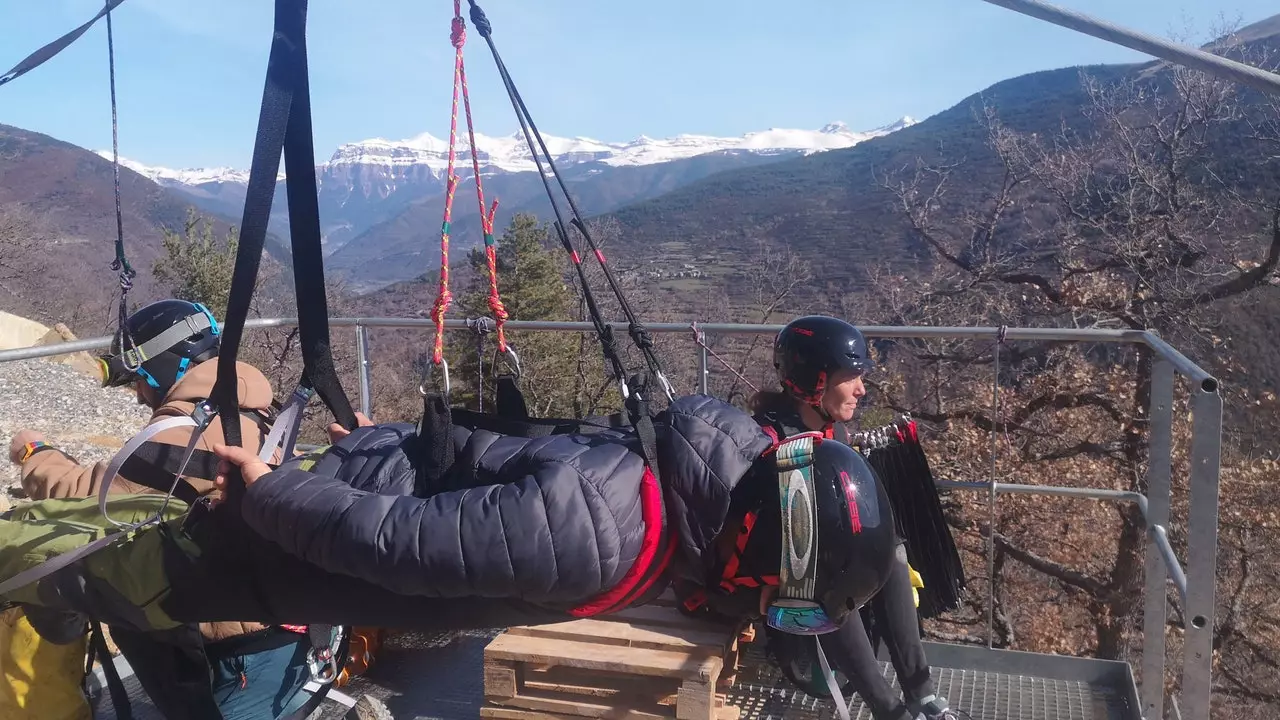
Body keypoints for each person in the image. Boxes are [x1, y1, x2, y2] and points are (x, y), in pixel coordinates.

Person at [0, 317, 918, 718]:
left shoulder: (703, 474)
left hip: (356, 482)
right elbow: (395, 546)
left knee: (111, 585)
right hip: (299, 526)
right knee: (80, 577)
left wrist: (388, 445)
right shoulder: (604, 534)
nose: (760, 612)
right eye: (773, 600)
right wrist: (274, 489)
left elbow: (506, 460)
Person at [5, 298, 325, 720]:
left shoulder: (183, 437)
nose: (138, 394)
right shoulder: (260, 412)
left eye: (138, 379)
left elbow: (85, 499)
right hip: (293, 626)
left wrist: (34, 453)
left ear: (163, 366)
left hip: (240, 655)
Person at [731, 314, 959, 720]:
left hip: (817, 596)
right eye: (849, 377)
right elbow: (756, 543)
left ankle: (921, 693)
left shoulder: (833, 434)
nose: (861, 389)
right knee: (834, 575)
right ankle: (889, 710)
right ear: (813, 382)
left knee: (892, 554)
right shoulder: (771, 446)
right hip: (782, 601)